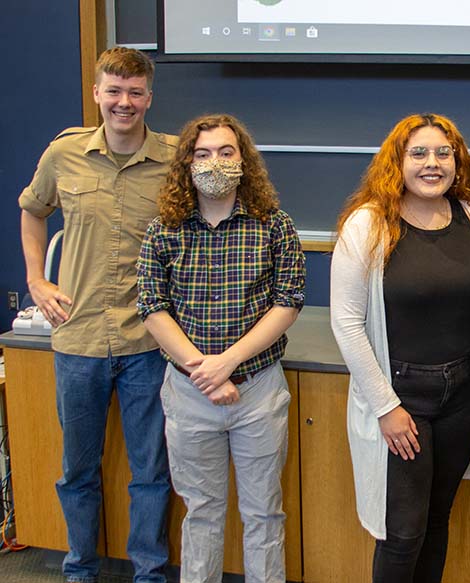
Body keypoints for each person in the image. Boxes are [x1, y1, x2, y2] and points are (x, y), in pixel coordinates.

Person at [18, 46, 176, 583]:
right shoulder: (63, 154)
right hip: (78, 339)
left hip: (148, 344)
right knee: (77, 472)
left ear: (149, 98)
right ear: (96, 94)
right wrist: (37, 281)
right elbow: (32, 211)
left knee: (152, 474)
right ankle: (79, 570)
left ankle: (149, 574)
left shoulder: (176, 159)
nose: (123, 102)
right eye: (113, 91)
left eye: (134, 92)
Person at [137, 113, 305, 583]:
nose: (215, 163)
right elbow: (152, 306)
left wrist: (227, 364)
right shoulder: (163, 230)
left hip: (257, 393)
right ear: (187, 163)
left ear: (243, 161)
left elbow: (287, 301)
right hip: (189, 396)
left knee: (264, 516)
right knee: (202, 515)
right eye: (203, 153)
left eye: (226, 152)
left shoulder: (274, 226)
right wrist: (203, 373)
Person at [330, 113, 470, 583]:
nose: (432, 163)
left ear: (457, 162)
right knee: (402, 534)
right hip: (402, 400)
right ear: (396, 161)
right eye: (418, 153)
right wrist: (386, 406)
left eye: (444, 153)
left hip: (463, 398)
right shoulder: (368, 224)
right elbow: (346, 322)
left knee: (437, 519)